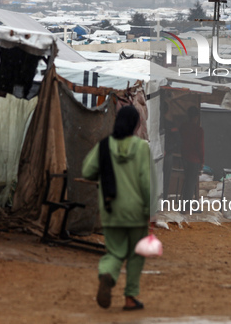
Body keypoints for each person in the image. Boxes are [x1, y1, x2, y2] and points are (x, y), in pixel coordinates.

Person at [82, 105, 153, 311]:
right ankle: (130, 298)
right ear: (136, 125)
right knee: (135, 255)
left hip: (112, 208)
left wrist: (104, 175)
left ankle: (108, 274)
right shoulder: (141, 148)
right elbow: (147, 183)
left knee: (114, 252)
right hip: (137, 212)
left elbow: (87, 171)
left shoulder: (105, 146)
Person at [179, 106, 204, 205]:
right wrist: (202, 161)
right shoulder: (199, 130)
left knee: (187, 182)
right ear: (196, 117)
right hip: (194, 160)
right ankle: (186, 207)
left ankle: (183, 205)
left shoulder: (183, 127)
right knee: (191, 183)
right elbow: (201, 148)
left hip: (184, 157)